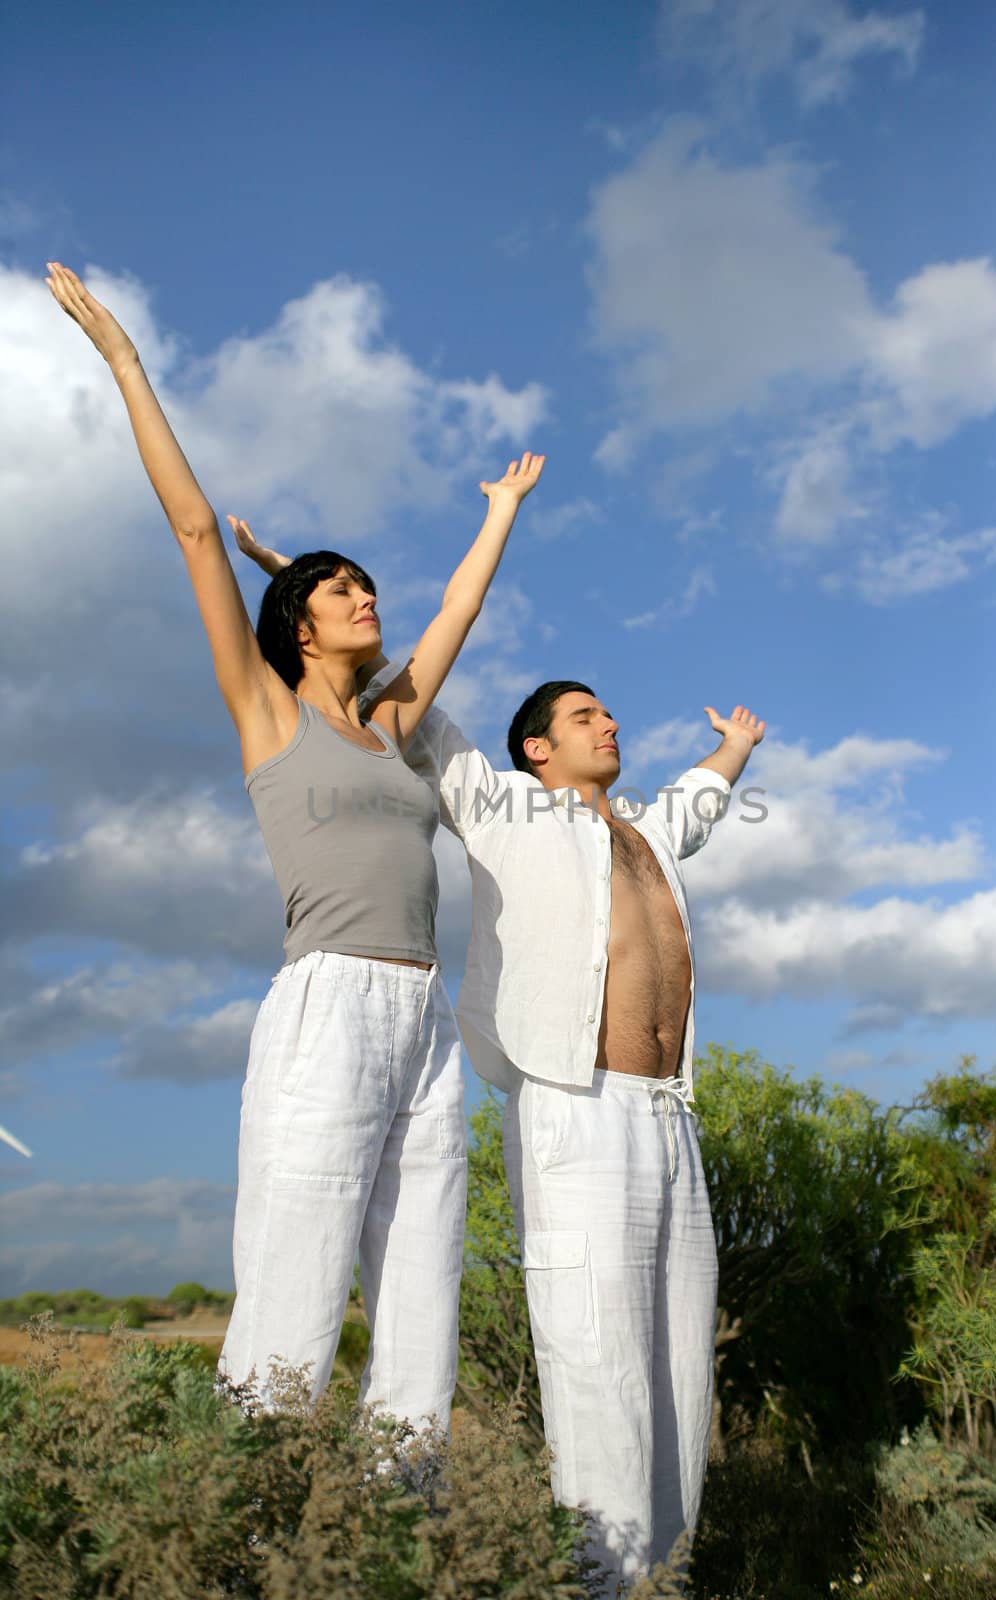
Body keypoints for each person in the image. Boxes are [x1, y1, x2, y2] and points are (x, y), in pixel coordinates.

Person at [45, 261, 544, 1425]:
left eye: (369, 583)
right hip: (323, 1005)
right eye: (339, 587)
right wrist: (123, 359)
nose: (365, 595)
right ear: (297, 620)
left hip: (418, 1019)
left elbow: (456, 616)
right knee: (297, 1276)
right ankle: (249, 1505)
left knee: (420, 1294)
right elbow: (190, 531)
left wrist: (498, 513)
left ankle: (399, 1523)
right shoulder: (266, 714)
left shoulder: (391, 728)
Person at [236, 528, 764, 1592]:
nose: (607, 722)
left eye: (607, 712)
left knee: (673, 1373)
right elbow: (402, 685)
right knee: (598, 1363)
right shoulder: (498, 805)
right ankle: (600, 1579)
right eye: (583, 716)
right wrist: (282, 572)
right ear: (534, 748)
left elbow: (696, 805)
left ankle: (663, 1575)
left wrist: (731, 752)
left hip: (671, 1118)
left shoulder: (648, 833)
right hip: (576, 1105)